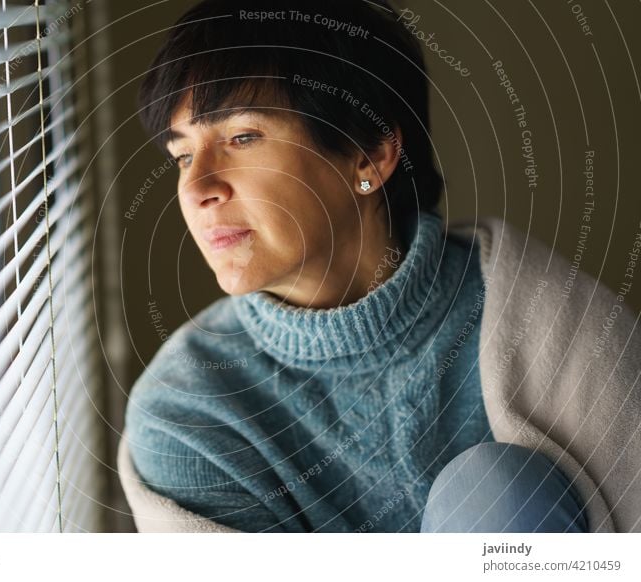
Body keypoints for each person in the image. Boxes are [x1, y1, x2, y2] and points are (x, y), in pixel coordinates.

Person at [119, 0, 617, 532]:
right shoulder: (190, 411)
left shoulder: (540, 316)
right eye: (183, 156)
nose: (196, 190)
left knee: (494, 488)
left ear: (371, 153)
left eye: (242, 138)